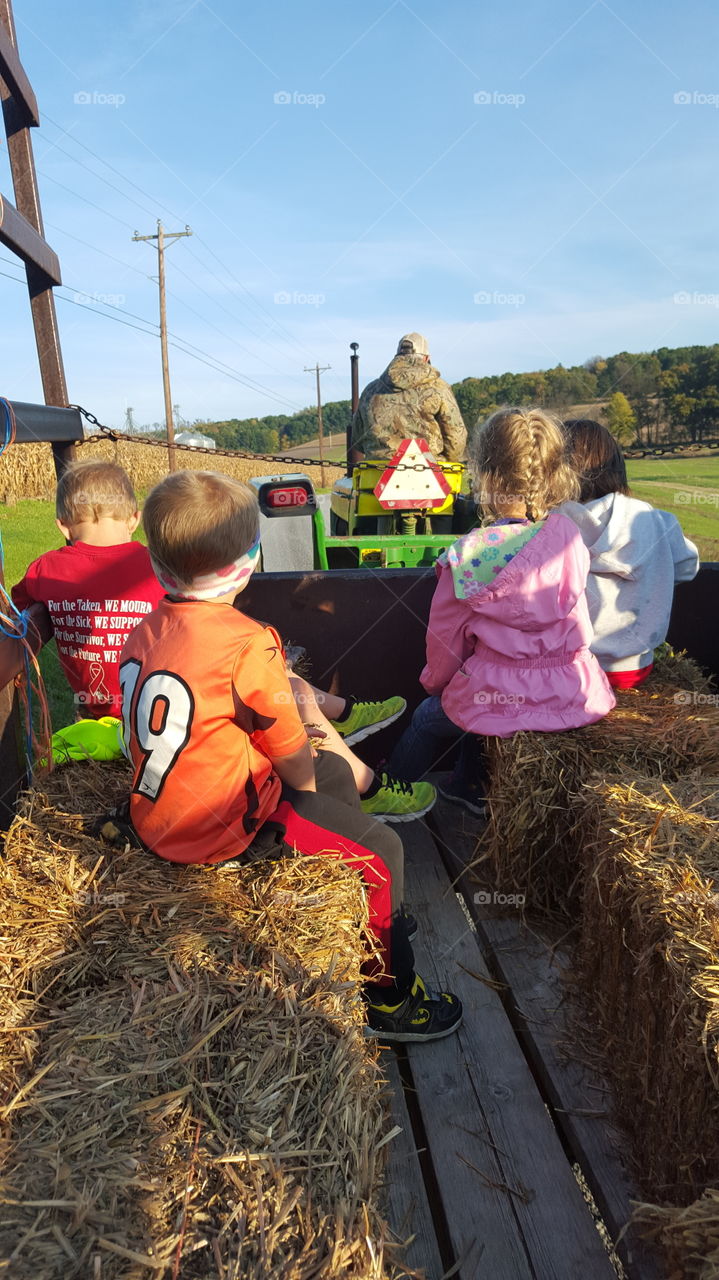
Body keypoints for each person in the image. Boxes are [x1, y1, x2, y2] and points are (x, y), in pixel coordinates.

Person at [119, 469, 462, 1041]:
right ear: (251, 560)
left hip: (155, 815)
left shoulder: (144, 630)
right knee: (384, 848)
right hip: (222, 828)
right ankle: (390, 998)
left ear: (158, 566)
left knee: (335, 772)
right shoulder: (250, 642)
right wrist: (305, 796)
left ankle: (364, 909)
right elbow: (292, 756)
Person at [389, 407, 616, 813]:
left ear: (486, 474)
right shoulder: (568, 537)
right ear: (555, 473)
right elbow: (579, 617)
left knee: (431, 715)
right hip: (570, 689)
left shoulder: (469, 554)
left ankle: (386, 793)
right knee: (475, 701)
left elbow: (444, 643)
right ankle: (469, 786)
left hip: (495, 694)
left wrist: (436, 684)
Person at [11, 460, 164, 718]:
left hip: (90, 711)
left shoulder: (45, 569)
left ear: (63, 526)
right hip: (154, 709)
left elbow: (15, 614)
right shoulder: (159, 566)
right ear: (134, 520)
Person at [558, 418, 700, 689]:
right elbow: (687, 567)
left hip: (568, 670)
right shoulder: (655, 520)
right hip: (634, 670)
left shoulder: (551, 525)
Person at [350, 333, 467, 535]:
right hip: (431, 480)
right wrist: (449, 460)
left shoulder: (370, 390)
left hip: (380, 483)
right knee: (445, 511)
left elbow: (358, 440)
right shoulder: (439, 388)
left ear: (397, 357)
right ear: (426, 359)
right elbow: (455, 435)